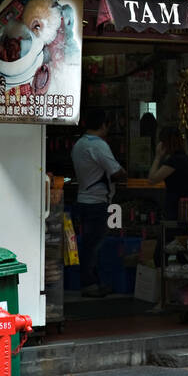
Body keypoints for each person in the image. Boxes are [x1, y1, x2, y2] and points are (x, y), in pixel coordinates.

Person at [71, 108, 124, 297]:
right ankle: (90, 284)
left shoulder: (79, 144)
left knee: (88, 243)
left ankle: (90, 281)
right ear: (104, 125)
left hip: (83, 199)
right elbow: (116, 171)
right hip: (97, 202)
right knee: (94, 244)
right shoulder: (98, 145)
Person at [148, 125, 188, 222]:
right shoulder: (184, 158)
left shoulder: (175, 161)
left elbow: (152, 179)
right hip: (184, 208)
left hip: (176, 209)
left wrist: (158, 157)